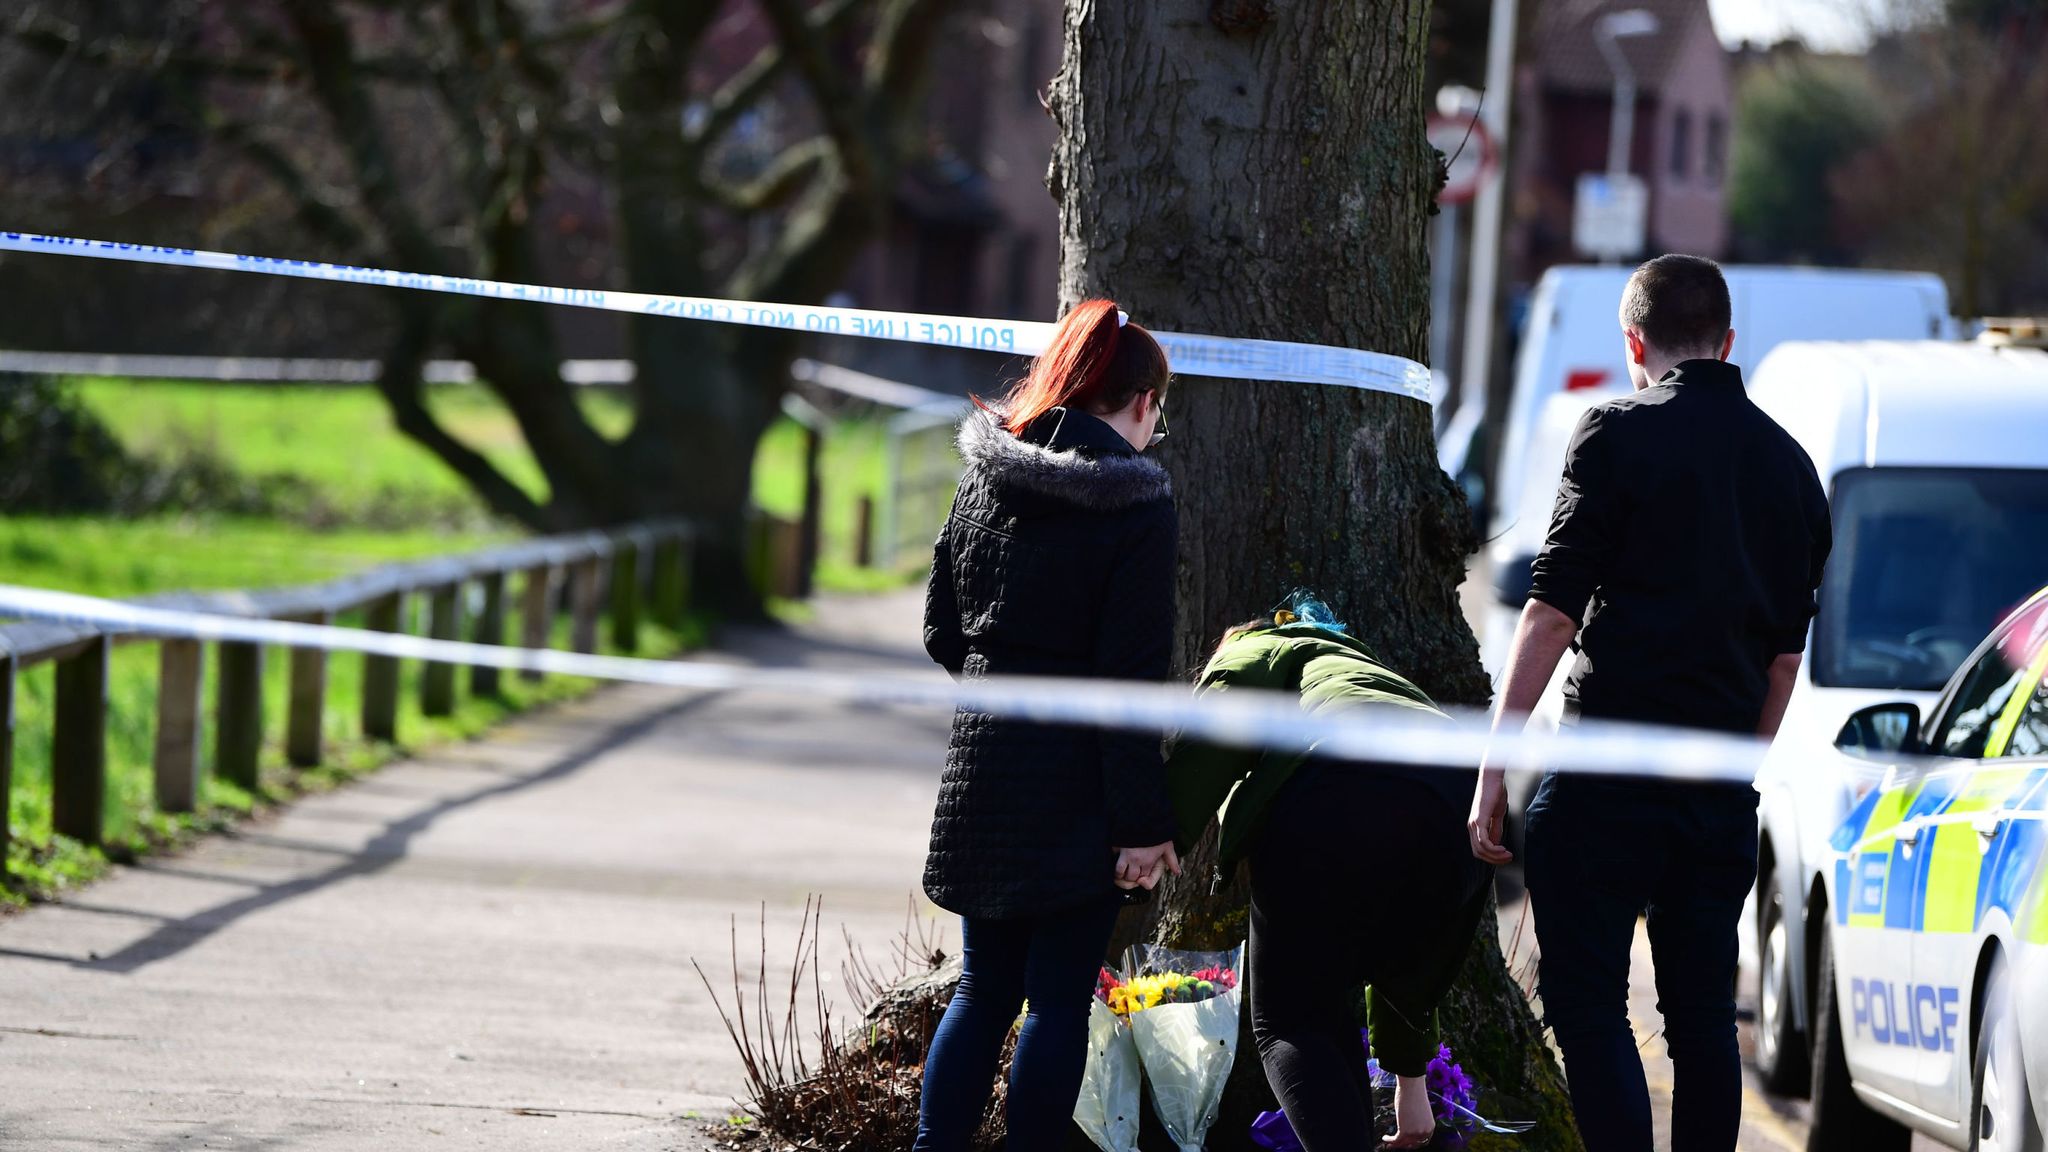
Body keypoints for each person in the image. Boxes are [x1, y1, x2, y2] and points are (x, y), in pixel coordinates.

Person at [1468, 254, 1832, 1151]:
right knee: (1706, 1018)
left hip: (1604, 779)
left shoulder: (1613, 432)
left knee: (1588, 1004)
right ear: (1728, 342)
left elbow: (1551, 615)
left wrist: (1493, 769)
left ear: (1635, 342)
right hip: (1715, 790)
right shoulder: (1793, 470)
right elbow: (1784, 666)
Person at [914, 298, 1181, 1152]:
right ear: (1141, 403)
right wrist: (1142, 824)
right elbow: (1130, 683)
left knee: (980, 991)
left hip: (984, 766)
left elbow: (939, 630)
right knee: (1057, 1001)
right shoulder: (1135, 507)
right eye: (1159, 415)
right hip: (1079, 782)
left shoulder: (987, 473)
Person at [1168, 597, 1491, 1150]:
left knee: (1289, 1023)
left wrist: (1161, 834)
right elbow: (1410, 971)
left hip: (1336, 791)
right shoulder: (1368, 674)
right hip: (1465, 810)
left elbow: (1217, 727)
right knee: (1329, 1000)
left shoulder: (1261, 647)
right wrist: (1411, 1082)